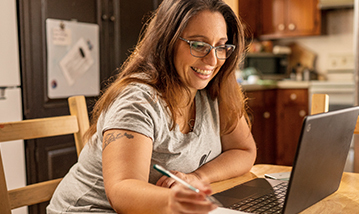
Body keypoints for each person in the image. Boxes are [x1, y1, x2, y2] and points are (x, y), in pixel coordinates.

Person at [47, 0, 256, 213]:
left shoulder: (214, 90)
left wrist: (197, 177)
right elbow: (122, 191)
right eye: (198, 45)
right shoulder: (137, 102)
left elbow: (243, 150)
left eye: (221, 47)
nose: (212, 60)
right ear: (168, 42)